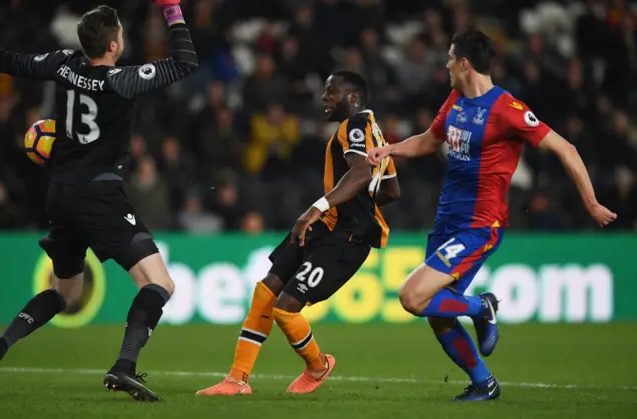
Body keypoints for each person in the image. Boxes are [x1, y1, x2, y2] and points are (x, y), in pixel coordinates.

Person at [367, 30, 616, 402]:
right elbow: (427, 141)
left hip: (479, 226)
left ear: (465, 63)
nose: (447, 64)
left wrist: (592, 203)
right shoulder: (454, 100)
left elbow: (565, 147)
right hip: (446, 222)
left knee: (412, 298)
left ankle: (481, 307)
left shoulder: (507, 109)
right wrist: (389, 149)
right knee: (437, 314)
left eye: (451, 58)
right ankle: (484, 384)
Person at [0, 0, 198, 402]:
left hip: (61, 192)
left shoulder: (61, 63)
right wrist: (172, 9)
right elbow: (185, 62)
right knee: (160, 282)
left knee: (65, 293)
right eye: (120, 34)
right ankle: (124, 366)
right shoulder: (123, 81)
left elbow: (12, 60)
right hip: (100, 194)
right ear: (113, 46)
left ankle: (1, 344)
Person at [196, 70, 401, 396]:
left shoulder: (356, 126)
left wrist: (319, 207)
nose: (323, 98)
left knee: (285, 308)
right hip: (328, 227)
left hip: (346, 237)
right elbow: (391, 191)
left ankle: (318, 365)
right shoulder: (376, 131)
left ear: (352, 98)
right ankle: (237, 380)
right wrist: (354, 202)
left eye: (330, 92)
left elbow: (360, 172)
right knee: (266, 290)